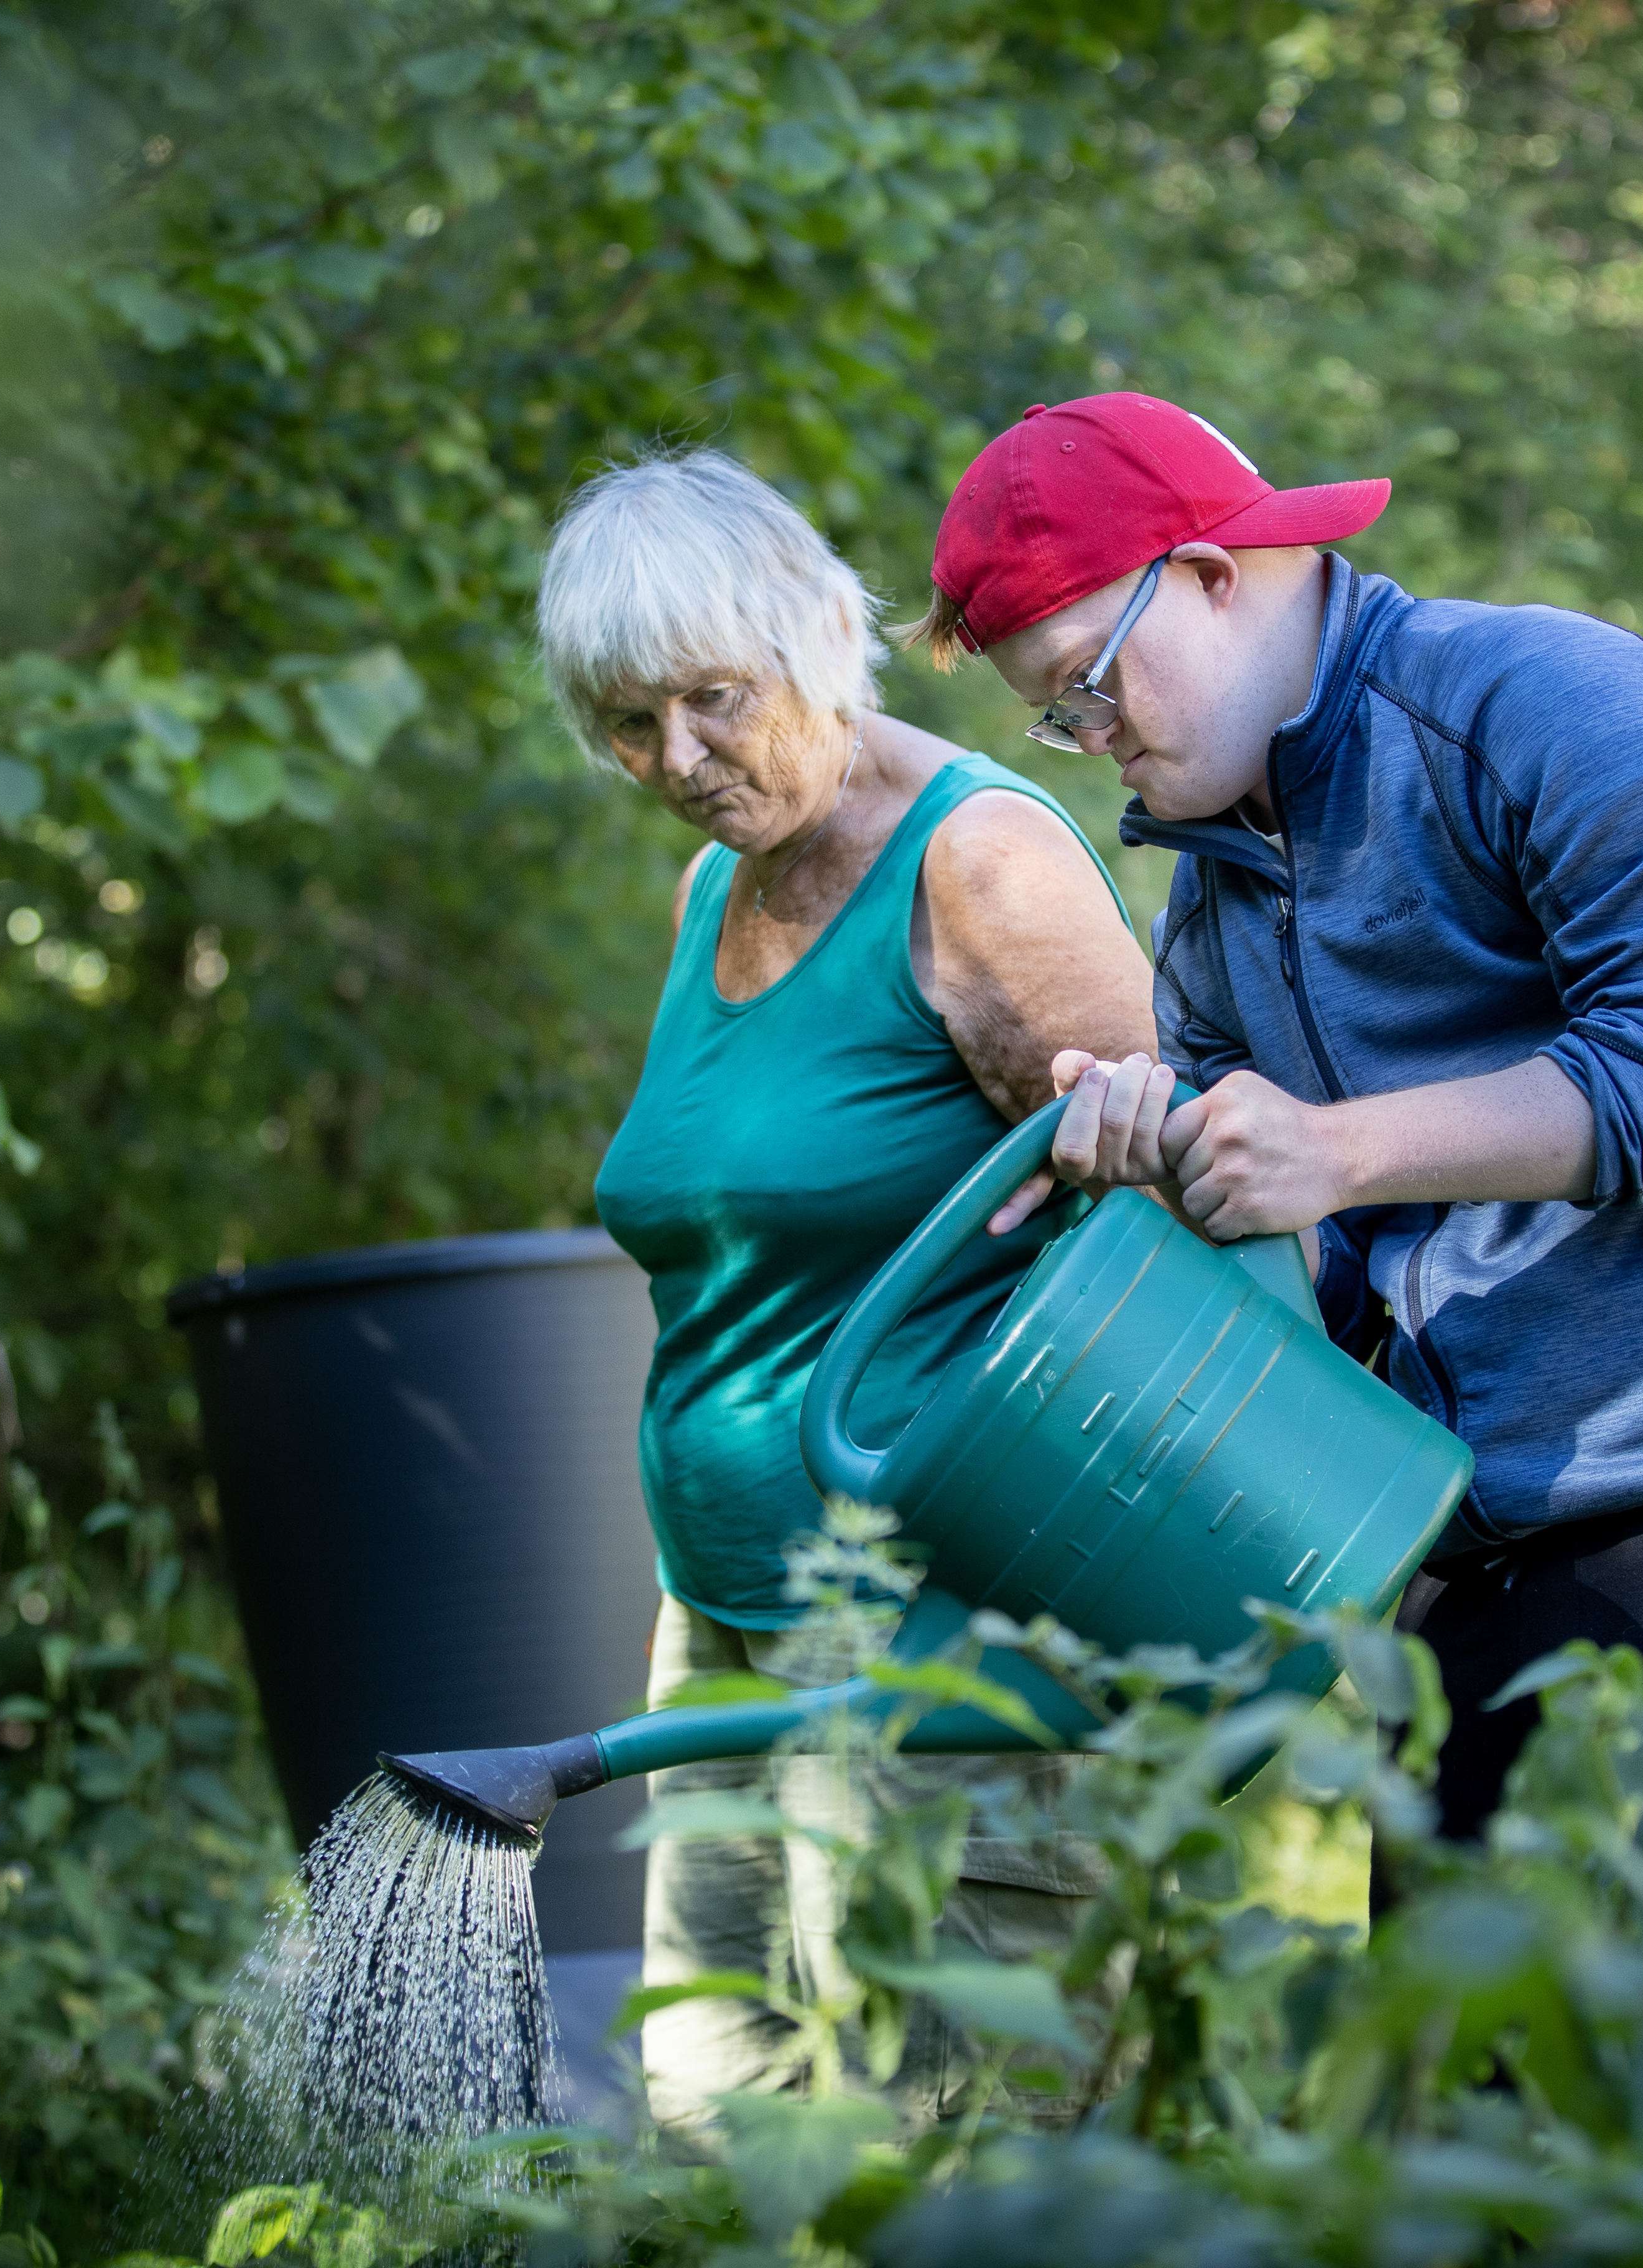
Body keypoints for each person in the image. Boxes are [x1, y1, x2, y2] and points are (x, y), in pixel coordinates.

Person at [904, 394, 1643, 1842]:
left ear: (1212, 576)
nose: (1089, 736)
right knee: (1462, 2005)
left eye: (1087, 684)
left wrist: (1332, 1151)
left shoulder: (1548, 699)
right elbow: (1334, 1292)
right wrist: (1186, 1188)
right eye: (1058, 717)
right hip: (1475, 1555)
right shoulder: (1212, 914)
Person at [542, 451, 1159, 2129]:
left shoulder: (979, 865)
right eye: (629, 723)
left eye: (714, 699)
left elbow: (1176, 1243)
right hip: (722, 1619)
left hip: (935, 1646)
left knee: (967, 2171)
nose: (678, 759)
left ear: (821, 635)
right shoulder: (715, 886)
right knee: (720, 2144)